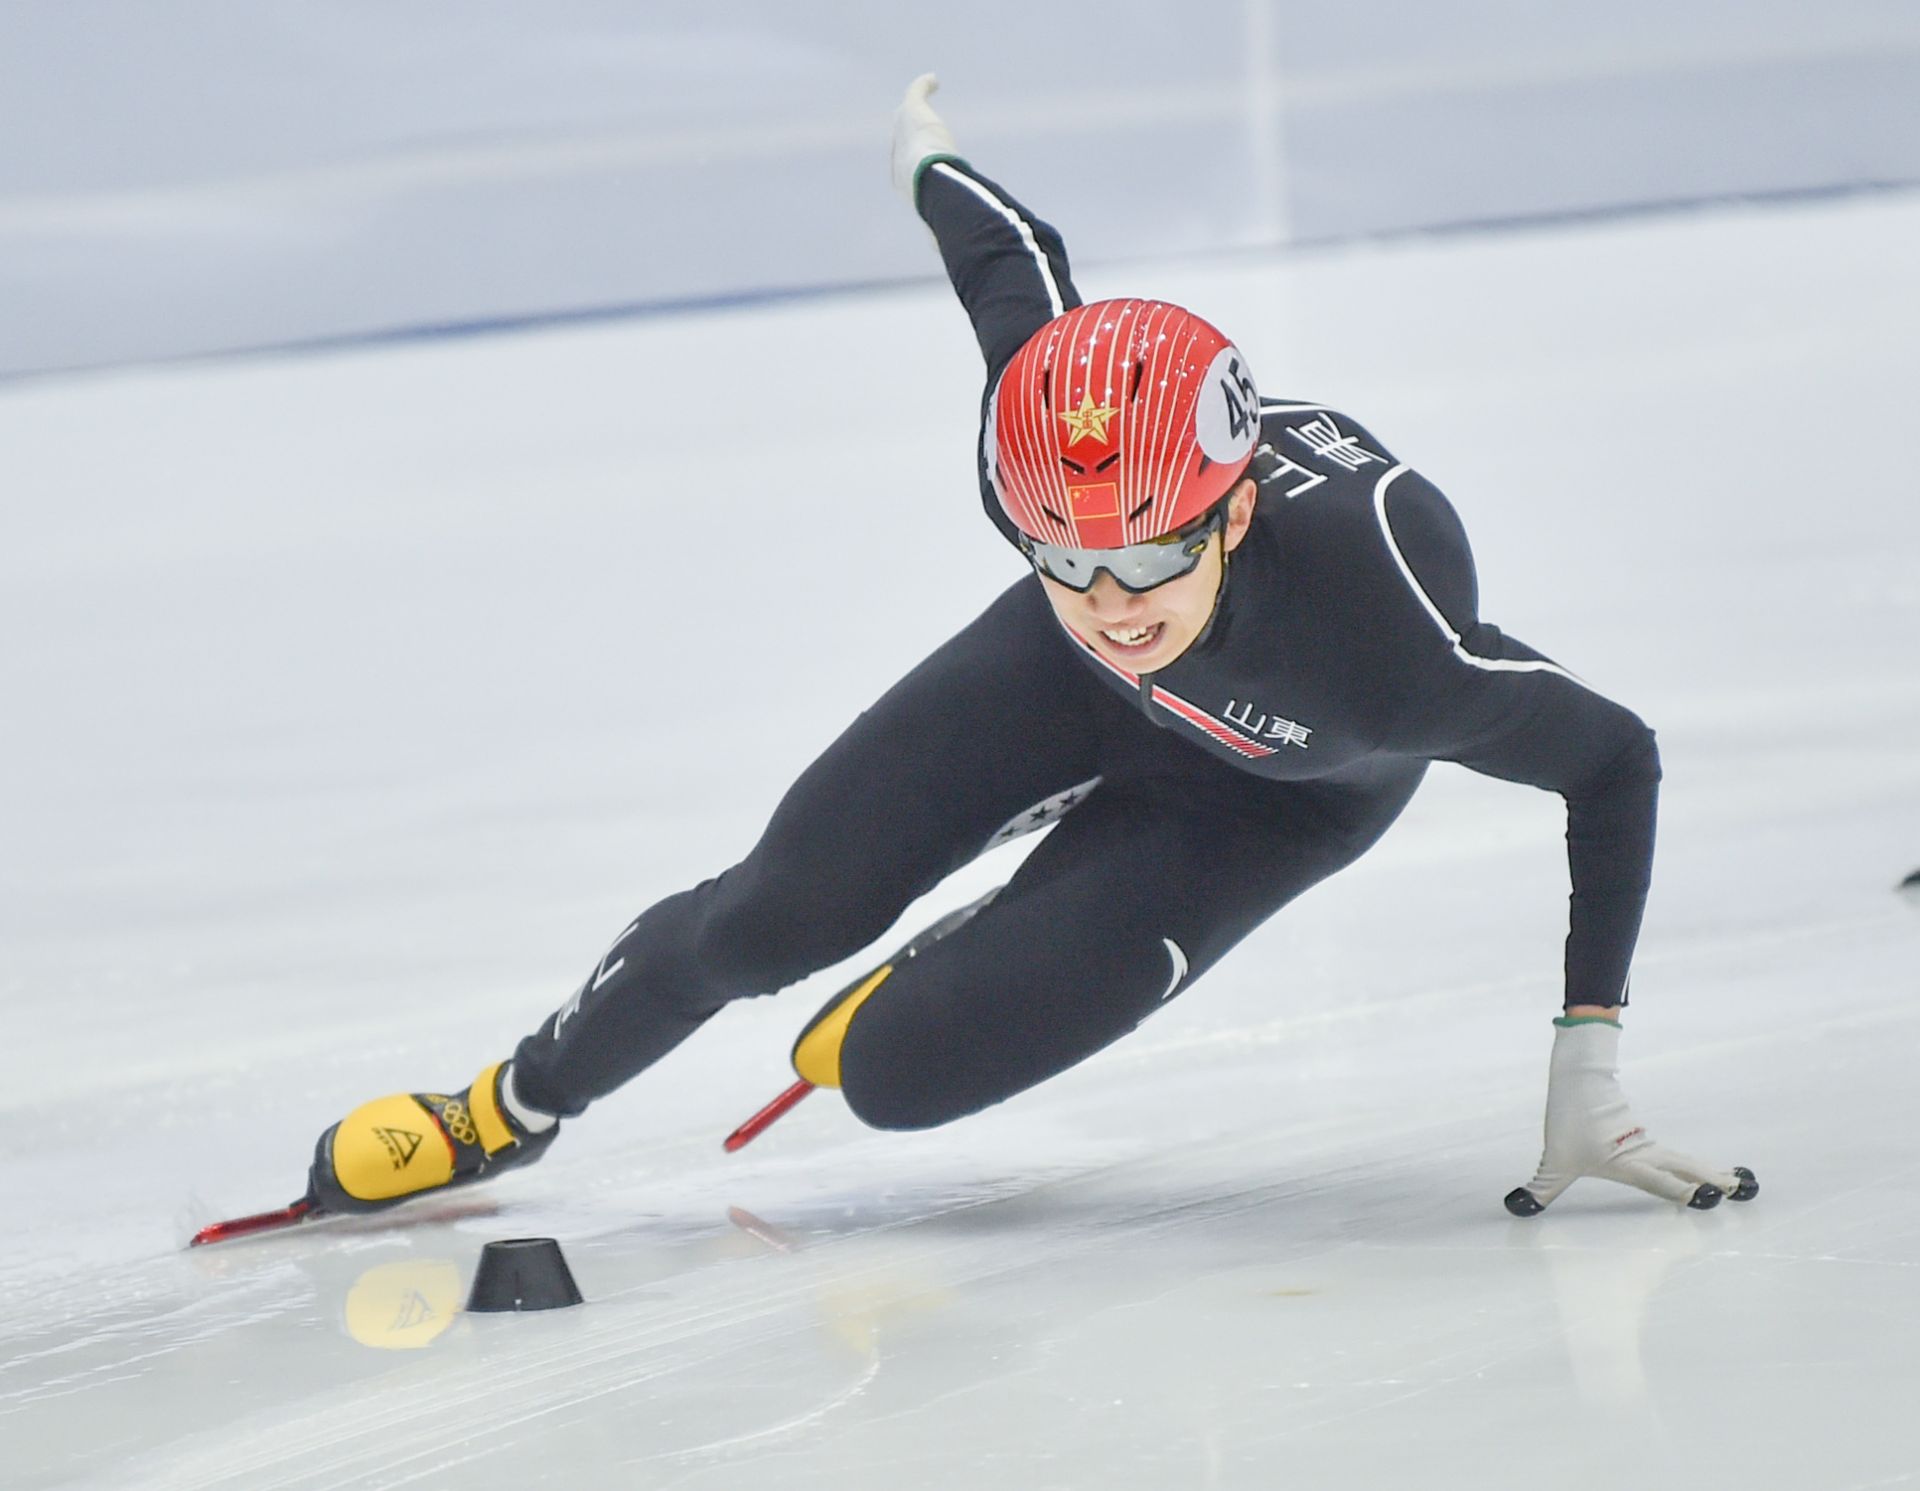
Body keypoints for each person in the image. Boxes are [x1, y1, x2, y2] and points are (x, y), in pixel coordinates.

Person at [305, 77, 1754, 1222]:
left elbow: (1614, 760)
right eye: (1068, 560)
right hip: (1056, 697)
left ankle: (944, 966)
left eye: (1151, 559)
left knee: (891, 1080)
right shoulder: (1051, 458)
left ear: (1233, 510)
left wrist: (1589, 1057)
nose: (1117, 600)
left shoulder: (1387, 651)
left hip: (1278, 795)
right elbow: (1013, 265)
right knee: (771, 916)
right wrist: (923, 153)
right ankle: (502, 1108)